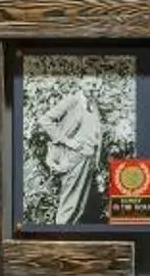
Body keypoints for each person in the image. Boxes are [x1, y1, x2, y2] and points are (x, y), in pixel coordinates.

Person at [30, 82, 109, 224]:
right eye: (90, 83)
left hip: (89, 159)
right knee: (69, 207)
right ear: (82, 83)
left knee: (80, 207)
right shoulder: (72, 101)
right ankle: (60, 235)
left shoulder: (92, 104)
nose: (93, 88)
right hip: (74, 158)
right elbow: (45, 120)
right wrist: (67, 141)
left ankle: (70, 234)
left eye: (96, 85)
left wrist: (96, 160)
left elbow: (94, 133)